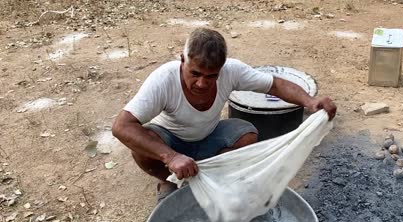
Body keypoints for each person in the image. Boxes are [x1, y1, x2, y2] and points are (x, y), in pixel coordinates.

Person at [112, 28, 337, 201]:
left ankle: (210, 178)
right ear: (182, 59)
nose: (201, 83)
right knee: (141, 150)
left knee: (247, 135)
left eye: (211, 76)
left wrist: (310, 101)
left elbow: (275, 85)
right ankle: (167, 181)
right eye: (195, 73)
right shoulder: (163, 80)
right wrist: (170, 157)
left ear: (222, 68)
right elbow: (121, 126)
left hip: (208, 134)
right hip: (170, 140)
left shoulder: (232, 70)